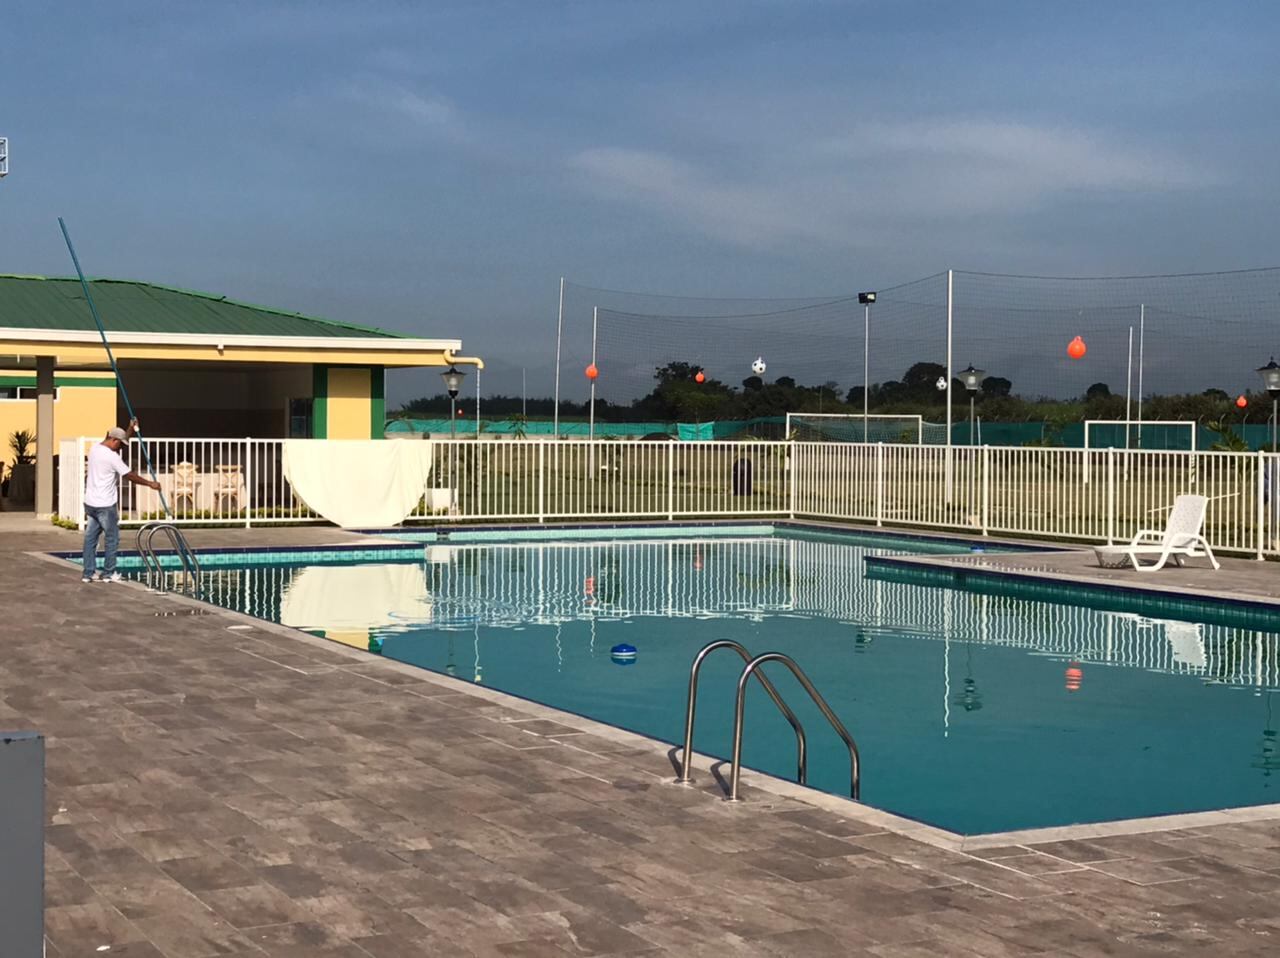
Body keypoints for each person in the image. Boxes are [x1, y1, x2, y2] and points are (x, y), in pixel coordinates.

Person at [82, 420, 160, 583]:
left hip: (90, 503)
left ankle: (88, 573)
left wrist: (130, 429)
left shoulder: (95, 449)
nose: (121, 447)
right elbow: (129, 475)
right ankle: (108, 573)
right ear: (114, 440)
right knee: (112, 539)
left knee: (91, 539)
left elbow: (120, 438)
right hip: (105, 505)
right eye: (120, 444)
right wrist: (150, 484)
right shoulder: (112, 457)